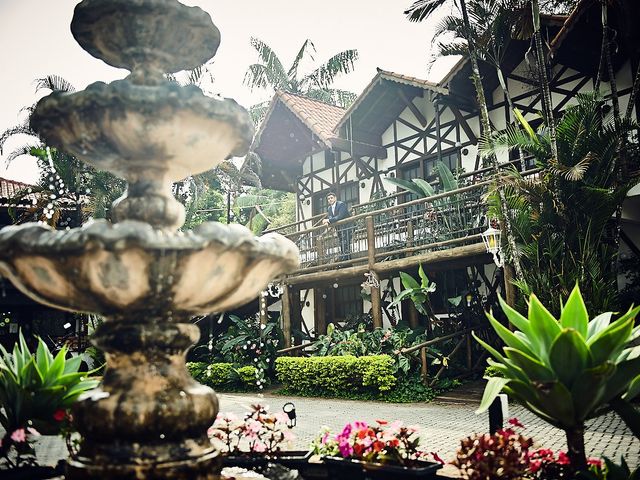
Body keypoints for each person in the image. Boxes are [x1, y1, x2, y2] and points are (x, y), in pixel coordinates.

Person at [322, 191, 352, 261]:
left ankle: (346, 259)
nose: (330, 199)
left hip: (347, 226)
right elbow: (330, 217)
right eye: (328, 199)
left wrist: (328, 220)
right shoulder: (329, 208)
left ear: (335, 198)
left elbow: (340, 216)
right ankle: (345, 258)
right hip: (339, 228)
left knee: (346, 242)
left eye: (331, 198)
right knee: (342, 243)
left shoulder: (341, 204)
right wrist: (327, 222)